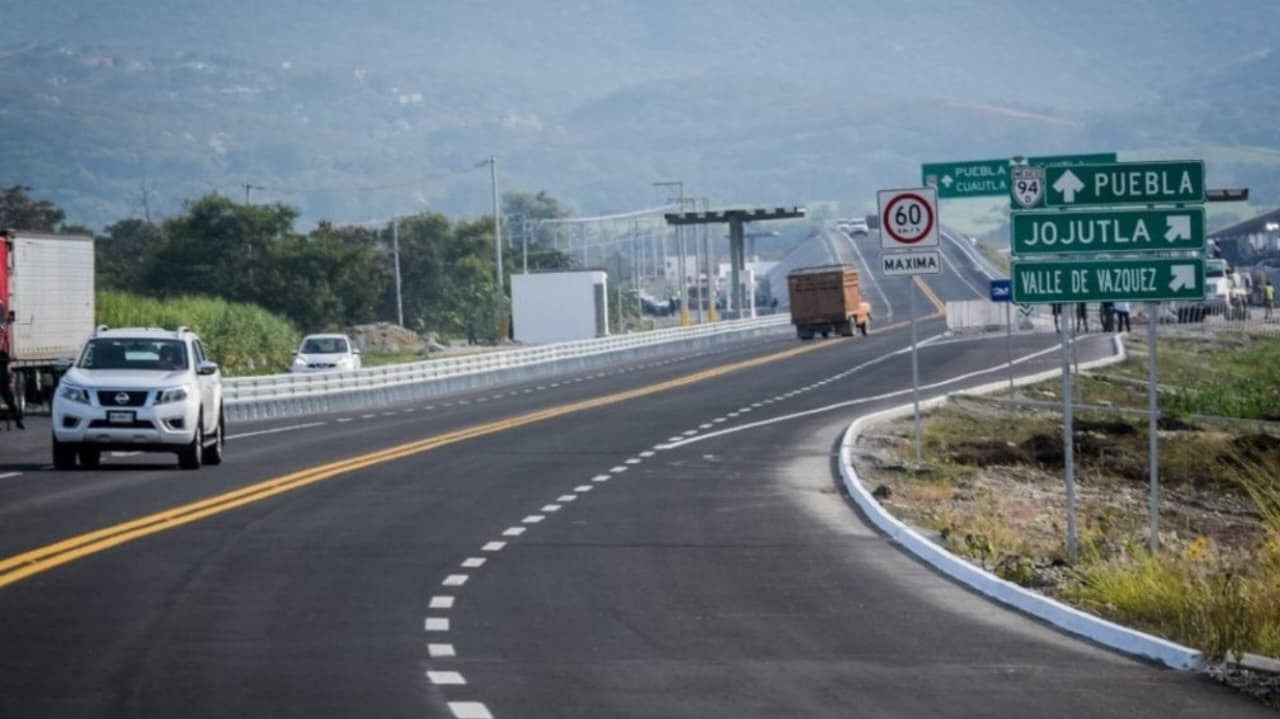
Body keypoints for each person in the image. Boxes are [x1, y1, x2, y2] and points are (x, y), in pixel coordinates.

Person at [0, 300, 23, 429]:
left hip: (2, 369)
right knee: (8, 397)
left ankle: (18, 419)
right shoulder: (2, 328)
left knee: (9, 397)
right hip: (2, 370)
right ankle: (18, 420)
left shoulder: (2, 328)